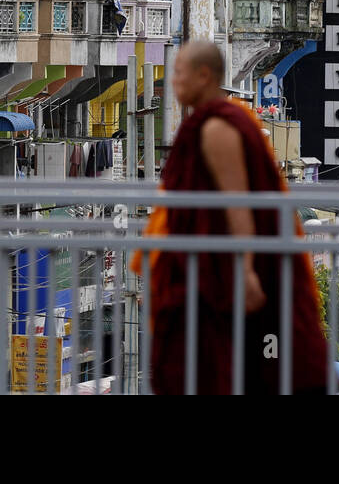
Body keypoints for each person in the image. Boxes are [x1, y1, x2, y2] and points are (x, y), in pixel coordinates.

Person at [132, 40, 327, 394]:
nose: (173, 82)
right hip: (211, 266)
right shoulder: (215, 122)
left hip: (225, 272)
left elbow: (238, 206)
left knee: (219, 367)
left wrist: (245, 270)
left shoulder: (218, 129)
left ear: (204, 75)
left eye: (178, 73)